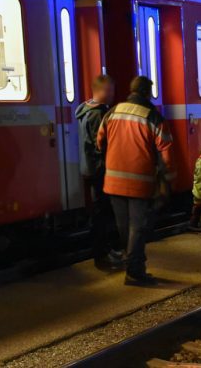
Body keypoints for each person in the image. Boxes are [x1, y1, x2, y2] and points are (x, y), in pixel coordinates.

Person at [97, 76, 176, 285]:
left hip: (113, 182)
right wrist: (167, 178)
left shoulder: (112, 112)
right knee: (138, 228)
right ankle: (134, 272)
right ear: (148, 93)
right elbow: (166, 152)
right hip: (139, 183)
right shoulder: (153, 116)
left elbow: (100, 141)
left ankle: (131, 264)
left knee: (124, 227)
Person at [76, 75, 121, 269]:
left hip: (92, 167)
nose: (112, 95)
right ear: (101, 91)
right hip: (100, 169)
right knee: (101, 213)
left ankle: (105, 250)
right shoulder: (97, 114)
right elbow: (100, 144)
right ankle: (102, 256)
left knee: (101, 212)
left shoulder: (85, 109)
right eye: (110, 91)